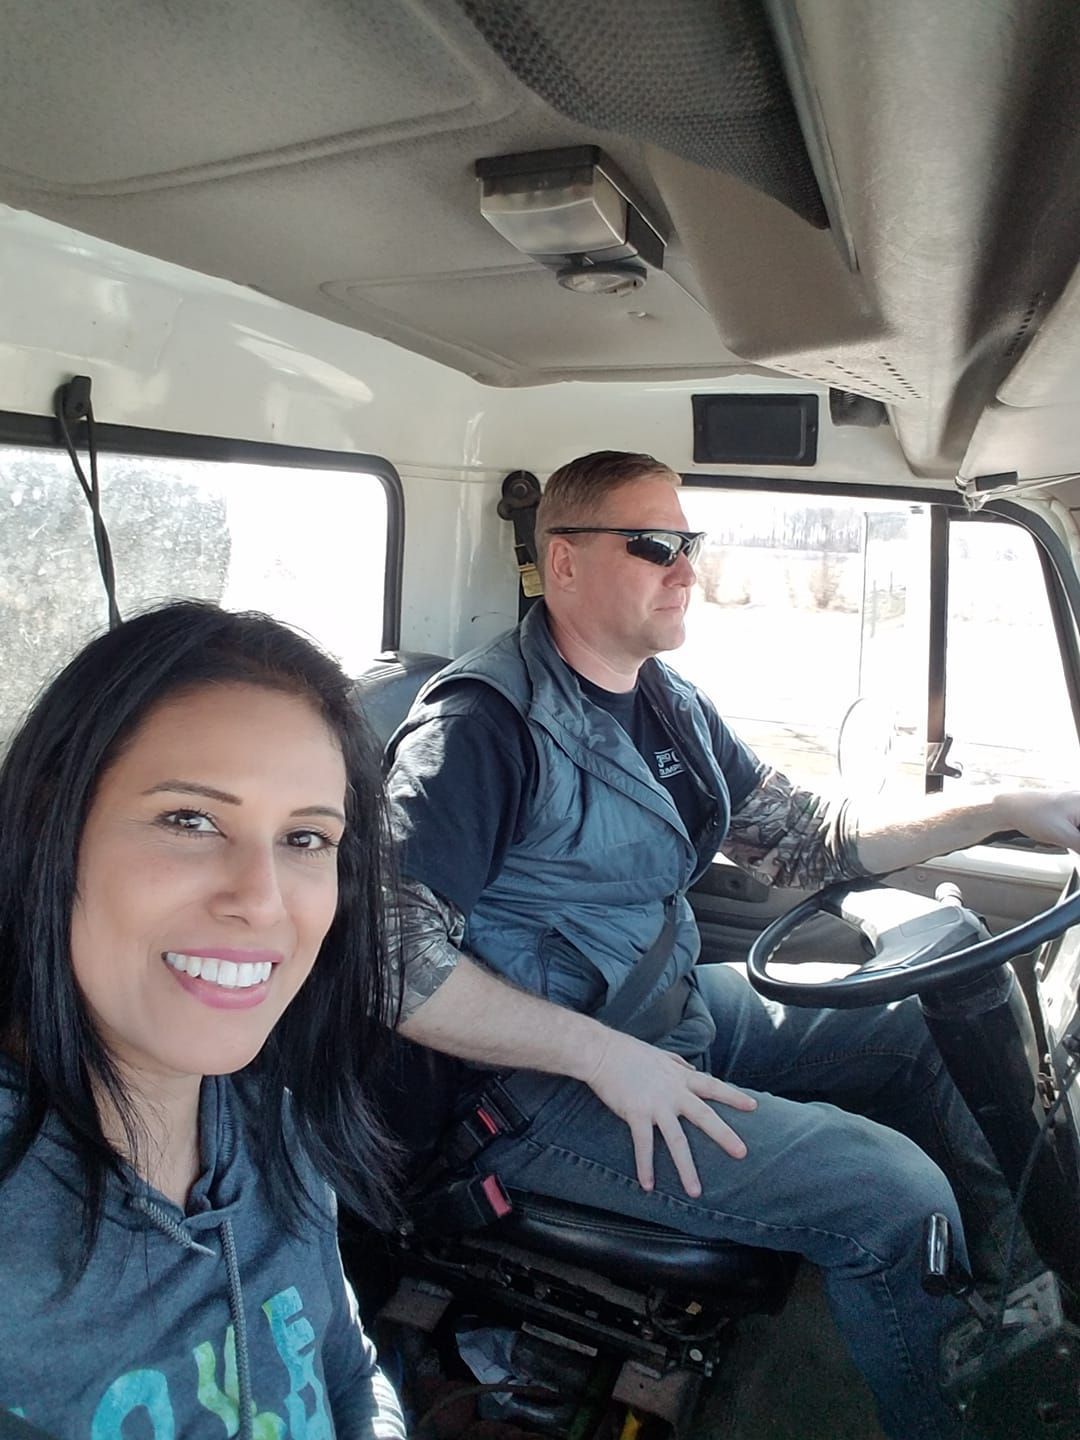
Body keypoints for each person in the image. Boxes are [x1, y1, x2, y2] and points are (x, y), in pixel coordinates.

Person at [386, 450, 1080, 1440]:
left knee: (921, 1019)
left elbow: (805, 844)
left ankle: (1026, 1305)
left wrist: (1009, 807)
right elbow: (387, 962)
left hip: (669, 1015)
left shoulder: (667, 701)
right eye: (656, 544)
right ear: (567, 563)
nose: (686, 569)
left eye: (690, 543)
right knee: (892, 1195)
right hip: (542, 1091)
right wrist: (602, 1054)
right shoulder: (479, 730)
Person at [0, 601, 405, 1440]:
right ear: (52, 829)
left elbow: (345, 1363)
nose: (260, 903)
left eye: (305, 840)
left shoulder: (277, 1129)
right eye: (190, 820)